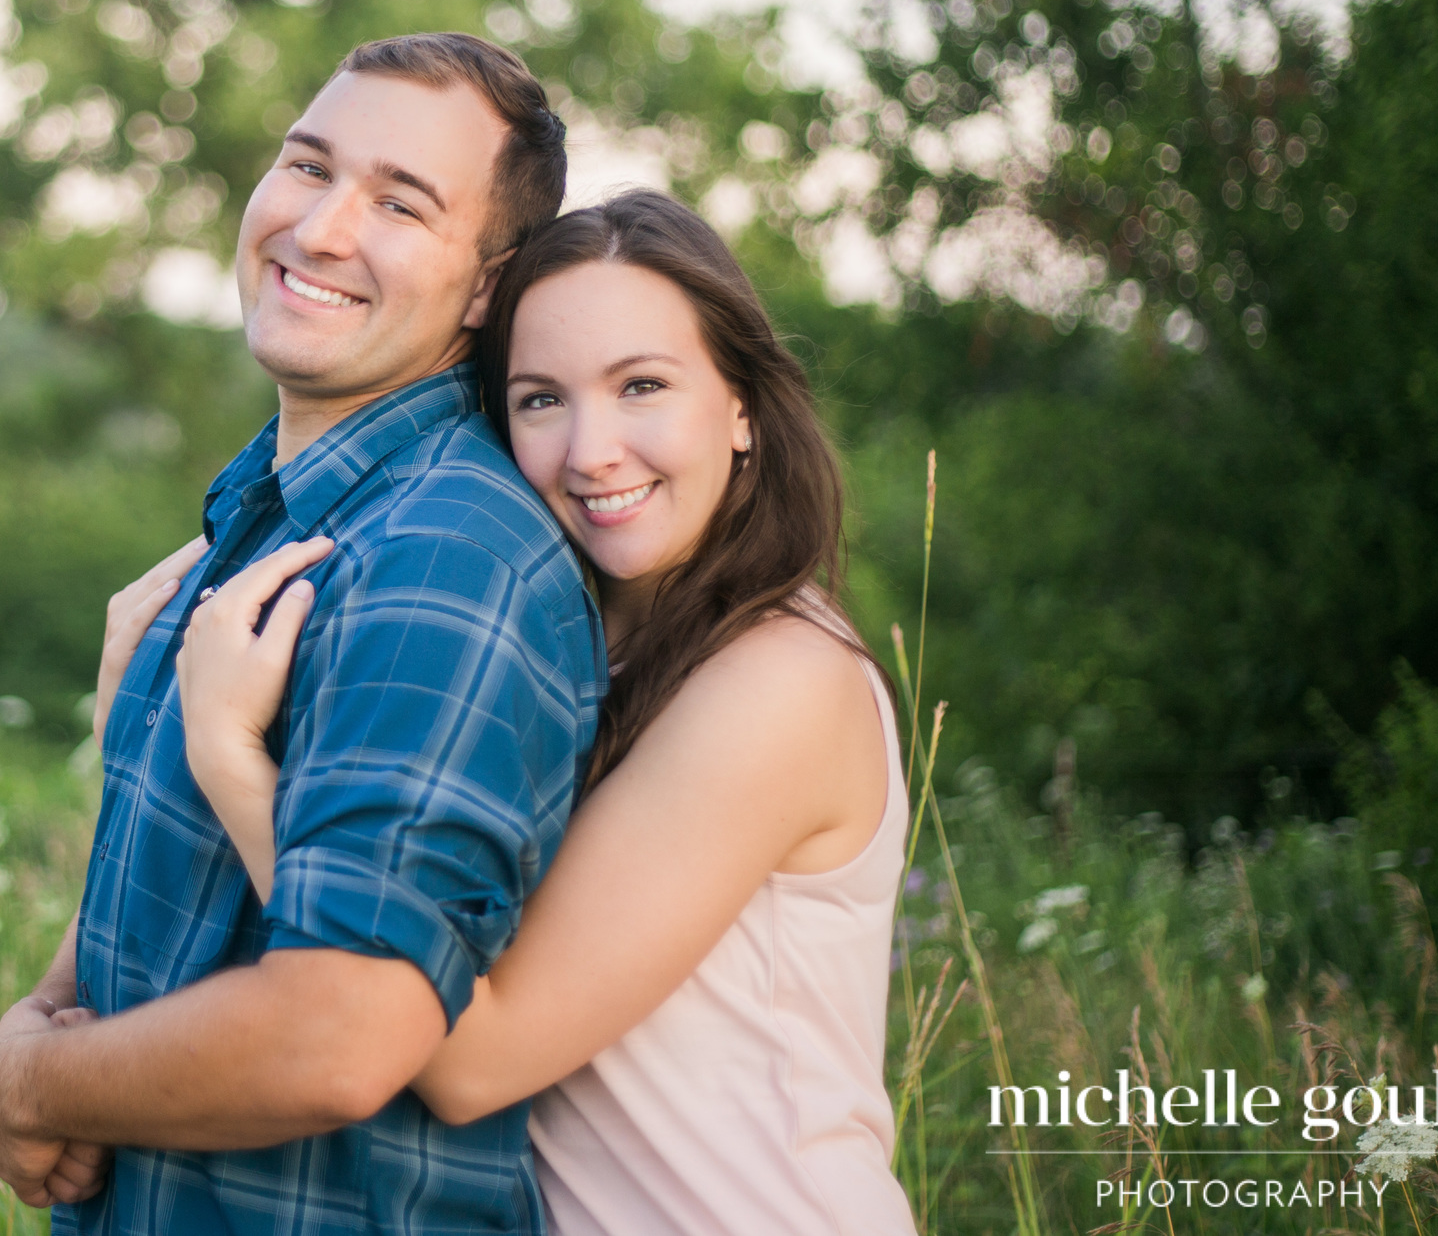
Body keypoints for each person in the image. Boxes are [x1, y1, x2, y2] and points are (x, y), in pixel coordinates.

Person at [175, 189, 915, 1235]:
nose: (591, 450)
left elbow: (474, 1057)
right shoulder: (569, 646)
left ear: (742, 405)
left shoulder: (780, 678)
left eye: (642, 384)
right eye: (539, 399)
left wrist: (230, 755)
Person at [0, 32, 608, 1234]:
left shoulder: (444, 559)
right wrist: (43, 1005)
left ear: (484, 285)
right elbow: (191, 887)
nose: (318, 229)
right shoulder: (273, 514)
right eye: (308, 166)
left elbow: (339, 1034)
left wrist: (27, 1082)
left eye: (400, 203)